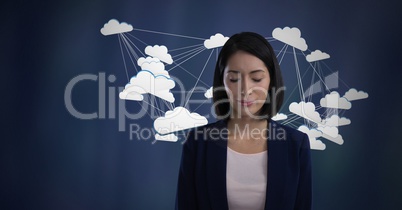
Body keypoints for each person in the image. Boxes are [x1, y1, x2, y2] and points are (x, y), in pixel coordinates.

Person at [175, 32, 312, 210]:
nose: (245, 89)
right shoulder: (197, 143)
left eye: (256, 78)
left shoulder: (296, 145)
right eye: (234, 79)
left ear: (272, 80)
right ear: (222, 82)